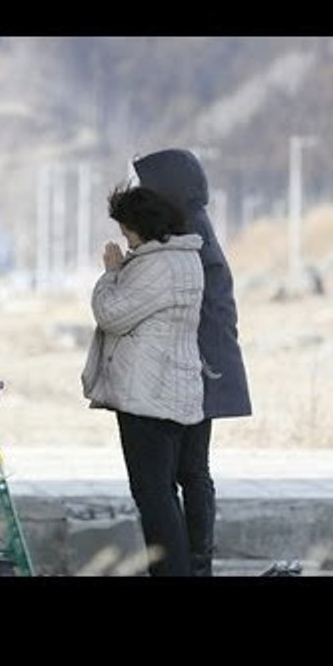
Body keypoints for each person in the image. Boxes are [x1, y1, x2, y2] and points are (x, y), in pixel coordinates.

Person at [134, 149, 252, 577]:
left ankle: (192, 565)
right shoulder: (193, 224)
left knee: (185, 472)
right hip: (201, 365)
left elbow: (194, 306)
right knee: (192, 471)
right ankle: (195, 565)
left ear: (169, 187)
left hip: (197, 368)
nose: (140, 191)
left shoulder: (190, 230)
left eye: (147, 184)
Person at [81, 184, 204, 576]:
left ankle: (170, 571)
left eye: (126, 229)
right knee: (164, 491)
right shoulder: (187, 258)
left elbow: (111, 314)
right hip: (173, 387)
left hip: (146, 392)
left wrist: (111, 274)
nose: (125, 239)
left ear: (141, 226)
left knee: (152, 494)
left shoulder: (156, 265)